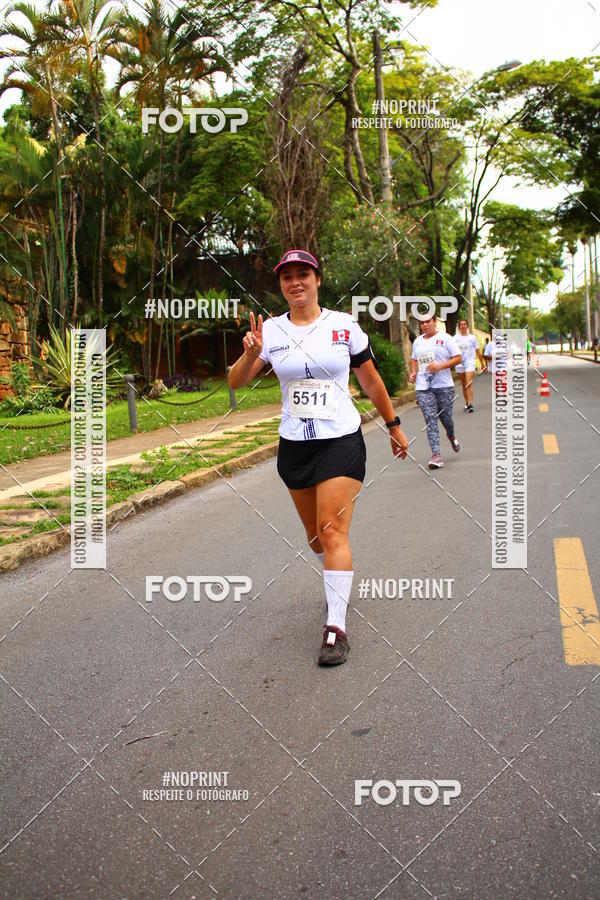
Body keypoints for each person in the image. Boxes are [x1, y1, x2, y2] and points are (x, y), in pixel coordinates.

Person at [228, 249, 409, 667]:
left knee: (331, 532)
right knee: (315, 538)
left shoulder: (344, 326)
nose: (296, 282)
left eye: (303, 274)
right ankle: (335, 583)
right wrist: (251, 352)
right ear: (281, 285)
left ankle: (336, 627)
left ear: (317, 279)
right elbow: (236, 382)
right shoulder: (270, 331)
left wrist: (393, 424)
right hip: (294, 445)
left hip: (341, 440)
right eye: (287, 276)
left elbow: (370, 378)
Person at [409, 313, 462, 468]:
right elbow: (414, 359)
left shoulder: (446, 338)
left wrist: (439, 366)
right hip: (423, 387)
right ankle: (436, 455)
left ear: (434, 322)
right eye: (422, 323)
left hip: (443, 385)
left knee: (446, 418)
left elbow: (458, 358)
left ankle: (451, 435)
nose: (425, 325)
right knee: (430, 419)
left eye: (427, 322)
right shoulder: (418, 342)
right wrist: (413, 372)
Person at [454, 319, 486, 412]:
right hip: (459, 362)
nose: (463, 326)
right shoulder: (454, 338)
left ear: (467, 326)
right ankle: (467, 402)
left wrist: (482, 364)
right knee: (464, 384)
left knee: (468, 382)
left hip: (470, 362)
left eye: (464, 324)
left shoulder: (472, 338)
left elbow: (477, 351)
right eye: (461, 324)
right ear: (459, 327)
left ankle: (470, 403)